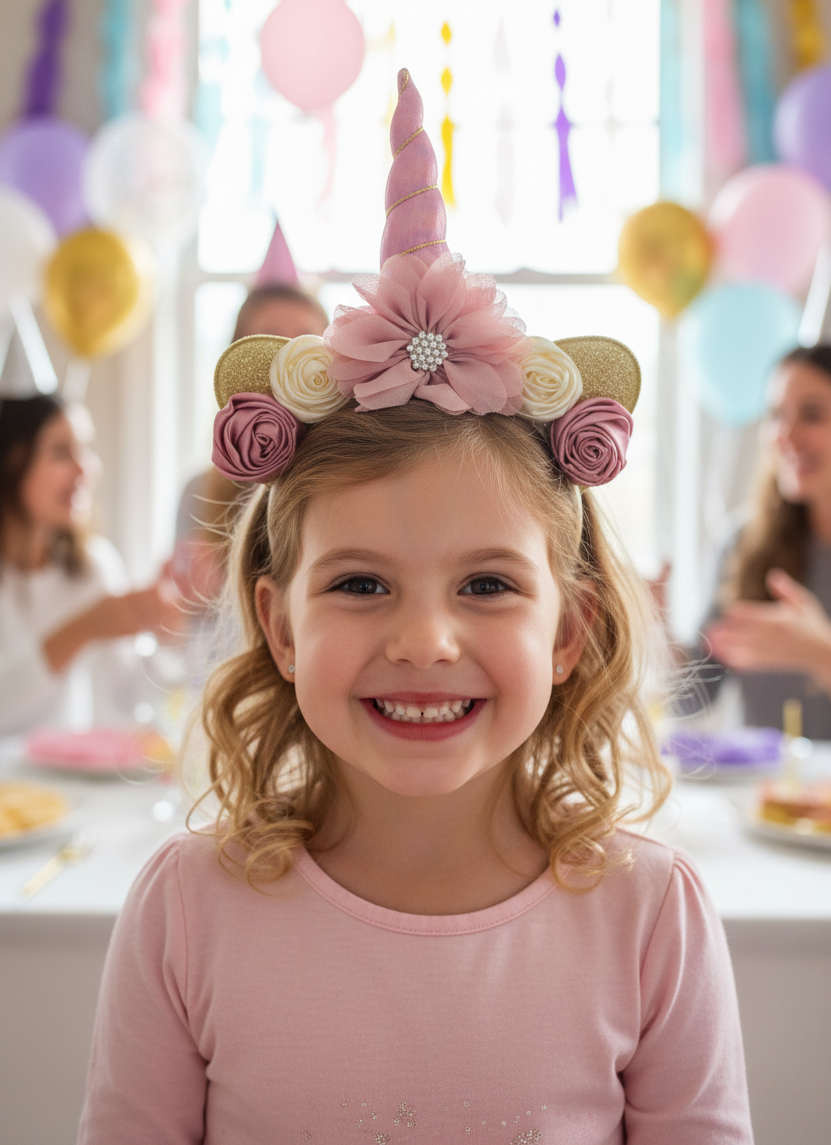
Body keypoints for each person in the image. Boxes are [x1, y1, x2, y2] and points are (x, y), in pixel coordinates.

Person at [79, 71, 752, 1144]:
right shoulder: (186, 911)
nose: (426, 640)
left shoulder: (647, 917)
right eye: (359, 583)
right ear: (281, 627)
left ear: (570, 631)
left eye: (487, 585)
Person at [0, 393, 184, 736]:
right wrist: (83, 628)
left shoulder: (93, 567)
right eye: (60, 452)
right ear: (12, 461)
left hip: (63, 786)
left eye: (86, 449)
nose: (87, 468)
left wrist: (167, 634)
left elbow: (133, 699)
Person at [686, 344, 831, 739]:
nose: (785, 434)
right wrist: (650, 635)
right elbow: (695, 695)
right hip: (764, 796)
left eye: (813, 415)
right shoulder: (742, 545)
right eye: (776, 415)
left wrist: (822, 655)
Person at [173, 281, 329, 605]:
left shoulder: (353, 480)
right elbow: (184, 624)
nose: (287, 360)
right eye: (268, 340)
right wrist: (193, 594)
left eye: (303, 342)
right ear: (237, 362)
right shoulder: (198, 493)